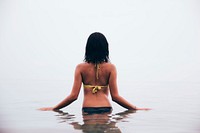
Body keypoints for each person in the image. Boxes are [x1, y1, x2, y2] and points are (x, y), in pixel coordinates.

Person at [39, 32, 150, 113]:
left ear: (88, 48)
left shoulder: (80, 68)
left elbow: (73, 96)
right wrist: (135, 108)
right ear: (105, 48)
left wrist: (55, 108)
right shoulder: (111, 68)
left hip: (88, 110)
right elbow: (115, 97)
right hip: (106, 109)